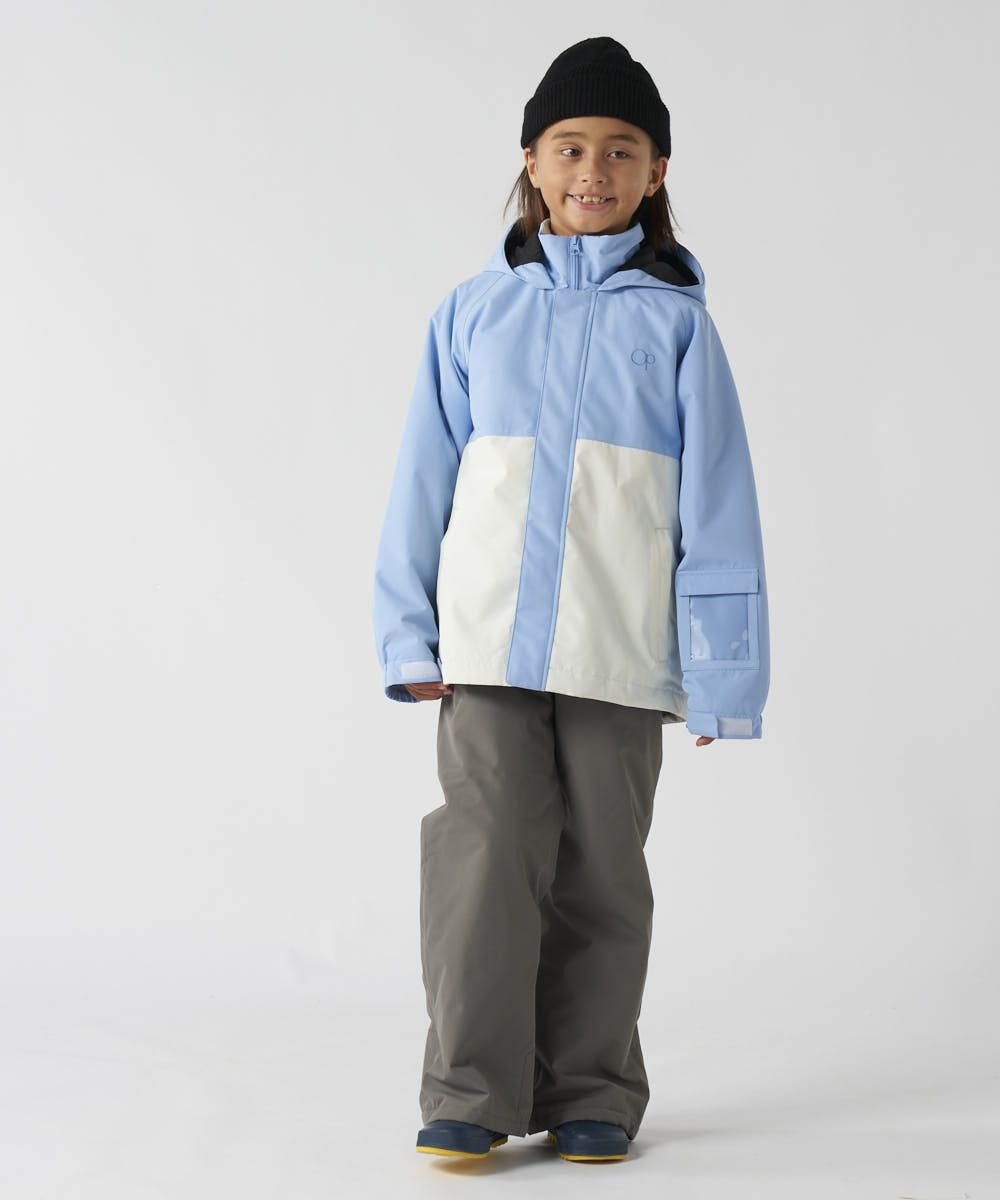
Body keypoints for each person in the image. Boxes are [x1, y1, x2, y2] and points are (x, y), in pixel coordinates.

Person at [371, 35, 770, 1165]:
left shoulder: (678, 325)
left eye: (621, 149)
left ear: (656, 173)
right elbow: (421, 482)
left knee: (603, 870)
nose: (594, 168)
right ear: (532, 163)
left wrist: (724, 670)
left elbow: (720, 506)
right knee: (484, 859)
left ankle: (593, 1086)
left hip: (620, 649)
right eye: (570, 146)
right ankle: (469, 1090)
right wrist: (407, 634)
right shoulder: (472, 313)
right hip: (485, 645)